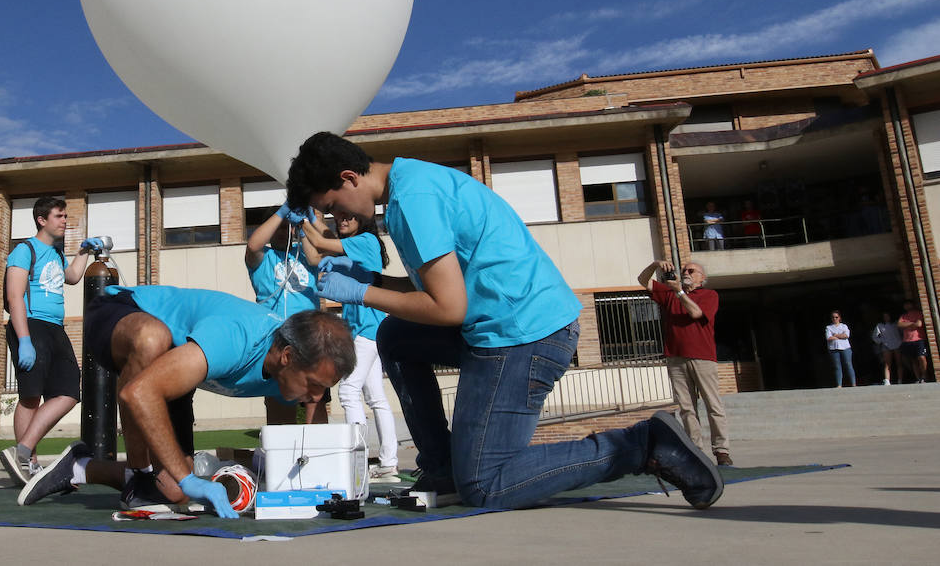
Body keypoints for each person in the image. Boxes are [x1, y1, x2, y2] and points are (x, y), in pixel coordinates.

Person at [286, 132, 723, 510]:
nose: (335, 217)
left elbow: (447, 309)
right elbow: (440, 293)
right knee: (397, 335)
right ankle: (442, 471)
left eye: (330, 205)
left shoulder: (411, 202)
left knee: (488, 483)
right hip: (500, 326)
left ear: (348, 178)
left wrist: (361, 292)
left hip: (524, 337)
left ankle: (643, 445)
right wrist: (375, 279)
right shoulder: (411, 181)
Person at [18, 285, 355, 517]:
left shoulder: (287, 377)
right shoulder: (236, 339)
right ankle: (138, 476)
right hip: (120, 314)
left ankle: (80, 467)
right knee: (152, 339)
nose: (315, 397)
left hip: (172, 370)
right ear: (286, 356)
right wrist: (188, 476)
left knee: (176, 492)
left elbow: (284, 454)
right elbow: (138, 392)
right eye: (313, 385)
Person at [0, 196, 102, 487]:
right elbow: (14, 296)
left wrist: (83, 252)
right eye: (59, 216)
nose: (65, 221)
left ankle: (22, 450)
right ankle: (27, 462)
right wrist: (24, 340)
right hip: (30, 326)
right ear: (42, 220)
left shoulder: (55, 253)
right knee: (31, 396)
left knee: (69, 392)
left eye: (65, 216)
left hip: (55, 328)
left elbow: (71, 277)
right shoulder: (24, 251)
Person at [301, 210, 401, 482]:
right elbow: (314, 256)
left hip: (367, 330)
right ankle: (389, 463)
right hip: (365, 330)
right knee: (376, 398)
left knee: (347, 390)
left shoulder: (367, 241)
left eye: (349, 217)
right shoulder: (344, 256)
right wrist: (307, 222)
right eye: (339, 216)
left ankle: (357, 460)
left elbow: (323, 243)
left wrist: (306, 218)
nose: (343, 220)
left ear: (363, 220)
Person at [637, 260, 732, 466]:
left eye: (691, 270)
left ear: (701, 278)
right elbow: (642, 280)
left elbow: (696, 313)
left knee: (712, 404)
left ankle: (721, 451)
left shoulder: (709, 295)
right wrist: (655, 264)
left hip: (703, 357)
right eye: (683, 270)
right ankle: (696, 451)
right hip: (676, 358)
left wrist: (680, 292)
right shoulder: (669, 294)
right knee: (687, 408)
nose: (686, 272)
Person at [244, 202, 327, 424]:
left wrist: (304, 225)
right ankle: (282, 455)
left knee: (315, 400)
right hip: (277, 341)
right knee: (279, 402)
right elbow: (253, 247)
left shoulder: (306, 255)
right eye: (279, 227)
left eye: (288, 227)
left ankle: (319, 452)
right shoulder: (264, 258)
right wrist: (281, 213)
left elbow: (323, 250)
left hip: (310, 338)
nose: (285, 232)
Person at [898, 301, 930, 383]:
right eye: (905, 304)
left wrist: (907, 324)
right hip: (907, 340)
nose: (907, 306)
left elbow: (919, 324)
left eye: (908, 304)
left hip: (919, 339)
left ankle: (924, 376)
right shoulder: (903, 316)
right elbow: (899, 325)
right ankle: (918, 378)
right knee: (913, 360)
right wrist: (913, 324)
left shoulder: (919, 313)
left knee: (921, 357)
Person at [826, 311, 855, 387]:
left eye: (836, 317)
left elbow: (846, 335)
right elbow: (828, 337)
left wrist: (835, 335)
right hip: (834, 349)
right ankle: (839, 384)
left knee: (848, 364)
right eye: (833, 317)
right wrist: (840, 336)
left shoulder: (844, 326)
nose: (835, 319)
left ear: (839, 318)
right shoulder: (829, 327)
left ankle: (853, 383)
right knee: (837, 366)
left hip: (845, 348)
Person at [872, 312, 902, 386]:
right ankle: (887, 380)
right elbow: (875, 337)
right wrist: (881, 341)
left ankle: (900, 380)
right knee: (887, 364)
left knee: (899, 363)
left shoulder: (895, 324)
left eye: (887, 316)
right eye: (884, 316)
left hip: (897, 344)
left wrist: (901, 341)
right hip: (886, 346)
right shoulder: (879, 325)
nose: (886, 318)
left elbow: (901, 333)